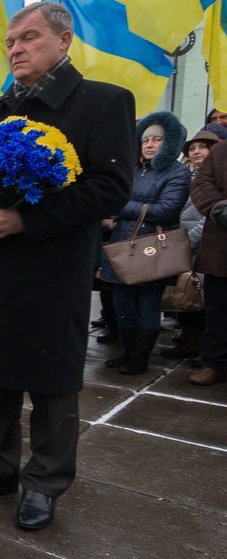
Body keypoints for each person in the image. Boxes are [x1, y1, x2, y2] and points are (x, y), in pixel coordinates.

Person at [0, 0, 134, 533]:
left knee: (51, 380)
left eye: (29, 37)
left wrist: (26, 219)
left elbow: (110, 187)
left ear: (64, 40)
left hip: (52, 269)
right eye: (10, 42)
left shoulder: (103, 102)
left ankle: (45, 481)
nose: (16, 49)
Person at [98, 112, 191, 375]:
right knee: (121, 305)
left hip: (153, 248)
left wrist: (120, 206)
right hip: (122, 244)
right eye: (145, 140)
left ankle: (140, 358)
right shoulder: (132, 169)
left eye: (157, 140)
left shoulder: (178, 172)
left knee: (148, 305)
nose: (149, 144)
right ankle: (128, 352)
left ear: (169, 142)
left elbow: (165, 210)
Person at [160, 128, 218, 360]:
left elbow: (208, 219)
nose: (196, 152)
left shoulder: (217, 178)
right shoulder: (186, 175)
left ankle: (205, 350)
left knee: (203, 300)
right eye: (192, 148)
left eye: (203, 147)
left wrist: (184, 242)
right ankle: (189, 341)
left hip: (204, 248)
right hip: (182, 246)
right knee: (185, 296)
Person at [189, 139, 227, 386]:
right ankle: (215, 363)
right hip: (220, 247)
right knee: (217, 310)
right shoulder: (220, 151)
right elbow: (201, 184)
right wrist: (220, 207)